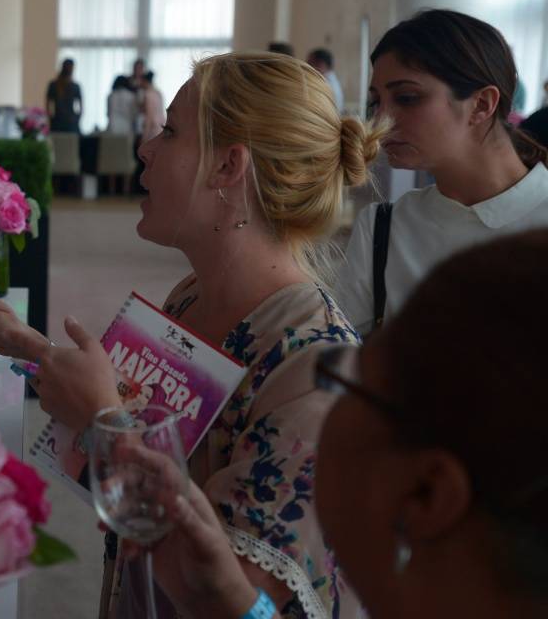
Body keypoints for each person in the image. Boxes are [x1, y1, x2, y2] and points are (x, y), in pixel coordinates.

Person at [0, 51, 384, 618]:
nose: (146, 147)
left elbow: (240, 601)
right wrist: (25, 345)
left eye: (171, 131)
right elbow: (135, 439)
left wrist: (103, 424)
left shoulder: (316, 368)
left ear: (228, 166)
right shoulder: (191, 296)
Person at [136, 229, 548, 619]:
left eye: (351, 380)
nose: (322, 407)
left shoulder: (307, 333)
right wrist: (229, 596)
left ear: (427, 493)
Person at [333, 9, 548, 336]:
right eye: (376, 103)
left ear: (481, 104)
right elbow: (346, 356)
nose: (381, 121)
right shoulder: (383, 228)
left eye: (407, 98)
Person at [47, 58, 83, 132]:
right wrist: (51, 118)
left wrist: (77, 118)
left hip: (69, 123)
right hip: (58, 122)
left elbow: (81, 105)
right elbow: (48, 103)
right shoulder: (54, 85)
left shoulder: (75, 86)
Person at [307, 47, 345, 113]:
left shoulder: (327, 84)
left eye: (310, 63)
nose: (307, 67)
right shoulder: (329, 80)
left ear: (320, 64)